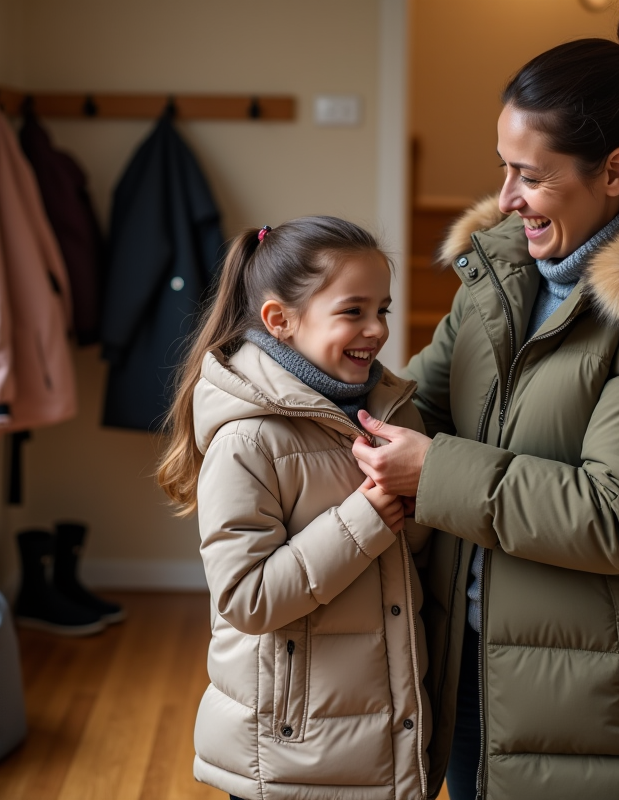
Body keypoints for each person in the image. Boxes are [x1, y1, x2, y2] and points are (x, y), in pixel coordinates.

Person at [350, 9, 619, 799]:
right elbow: (422, 405)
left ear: (616, 173)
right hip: (468, 663)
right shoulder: (501, 276)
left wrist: (432, 471)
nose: (505, 197)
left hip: (598, 706)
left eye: (530, 173)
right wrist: (291, 385)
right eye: (503, 168)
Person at [157, 217, 433, 800]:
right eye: (353, 311)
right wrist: (365, 519)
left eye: (383, 309)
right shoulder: (248, 441)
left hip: (382, 733)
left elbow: (410, 560)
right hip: (291, 757)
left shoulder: (395, 415)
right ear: (280, 321)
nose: (377, 329)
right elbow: (247, 599)